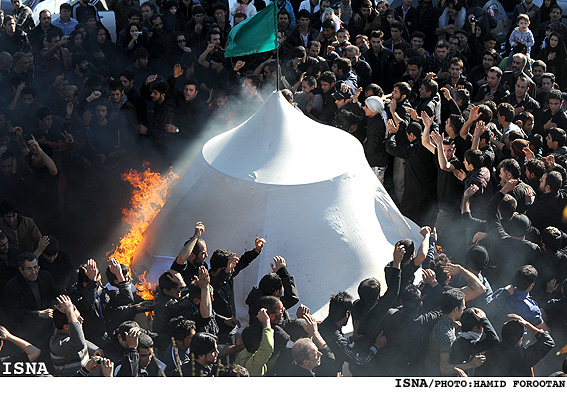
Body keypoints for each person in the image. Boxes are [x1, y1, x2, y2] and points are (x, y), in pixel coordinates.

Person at [423, 288, 486, 376]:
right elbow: (444, 368)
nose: (464, 307)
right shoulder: (446, 334)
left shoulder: (445, 321)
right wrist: (470, 365)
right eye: (463, 305)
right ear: (456, 310)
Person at [477, 313, 554, 376]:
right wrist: (528, 324)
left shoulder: (490, 353)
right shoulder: (524, 357)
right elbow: (548, 341)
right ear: (520, 339)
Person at [50, 294, 93, 376]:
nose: (81, 320)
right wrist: (69, 312)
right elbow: (79, 343)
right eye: (76, 319)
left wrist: (96, 350)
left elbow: (82, 340)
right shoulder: (58, 344)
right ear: (66, 327)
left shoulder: (71, 334)